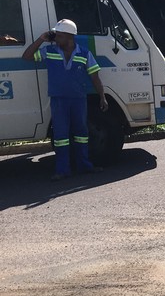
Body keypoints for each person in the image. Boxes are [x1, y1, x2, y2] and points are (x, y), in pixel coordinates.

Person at [22, 19, 108, 180]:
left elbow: (95, 77)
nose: (56, 38)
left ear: (70, 36)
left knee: (81, 134)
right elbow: (26, 56)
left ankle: (84, 166)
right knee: (61, 136)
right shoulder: (49, 51)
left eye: (59, 36)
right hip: (59, 100)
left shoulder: (84, 53)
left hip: (78, 100)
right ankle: (63, 170)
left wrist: (102, 97)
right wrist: (41, 39)